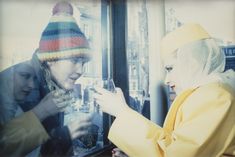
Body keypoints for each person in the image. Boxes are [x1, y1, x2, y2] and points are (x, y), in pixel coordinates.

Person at [94, 23, 235, 157]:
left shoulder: (215, 97)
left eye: (170, 68)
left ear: (192, 63)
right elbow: (175, 145)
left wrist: (121, 111)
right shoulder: (210, 92)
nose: (166, 80)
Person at [0, 1, 93, 156]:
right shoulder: (12, 82)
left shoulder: (54, 83)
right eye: (75, 60)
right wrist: (45, 114)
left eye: (83, 62)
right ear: (51, 59)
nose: (81, 70)